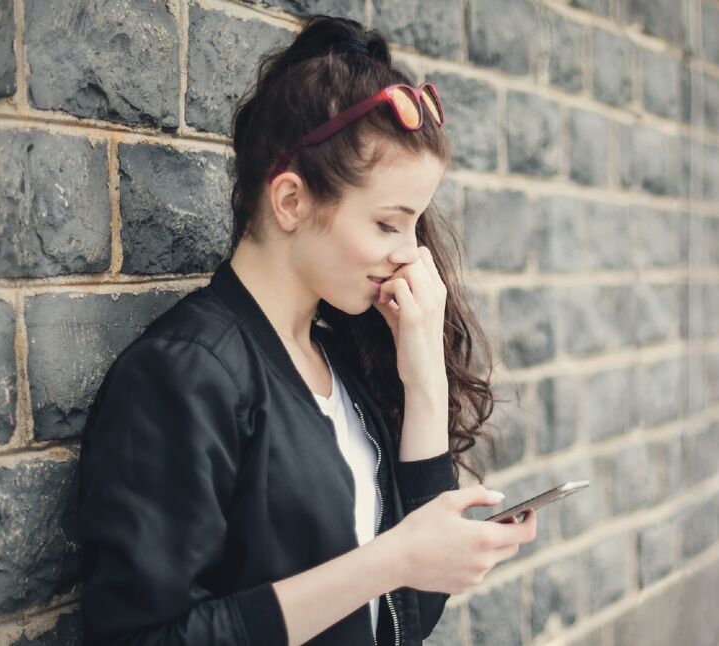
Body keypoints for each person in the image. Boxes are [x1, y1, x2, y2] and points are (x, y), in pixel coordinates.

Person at [75, 15, 536, 646]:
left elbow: (409, 616)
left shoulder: (337, 363)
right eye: (387, 224)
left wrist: (424, 373)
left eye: (415, 225)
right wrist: (392, 558)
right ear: (291, 201)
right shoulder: (185, 374)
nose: (412, 256)